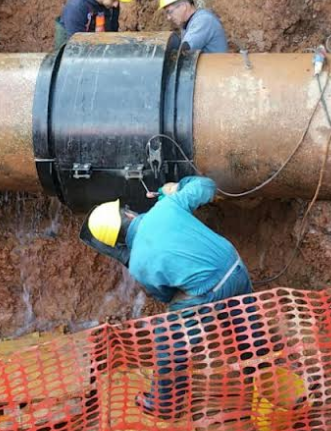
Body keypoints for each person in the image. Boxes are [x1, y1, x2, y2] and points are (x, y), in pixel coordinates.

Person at [86, 176, 253, 419]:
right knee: (249, 325)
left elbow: (164, 295)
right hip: (235, 267)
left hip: (206, 291)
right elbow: (206, 186)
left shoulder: (139, 264)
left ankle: (165, 404)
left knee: (169, 335)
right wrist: (177, 187)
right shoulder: (166, 206)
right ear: (129, 214)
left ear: (118, 242)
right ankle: (262, 365)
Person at [157, 0, 229, 53]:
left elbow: (185, 48)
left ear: (183, 6)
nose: (168, 17)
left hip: (216, 64)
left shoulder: (203, 20)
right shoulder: (188, 24)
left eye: (170, 12)